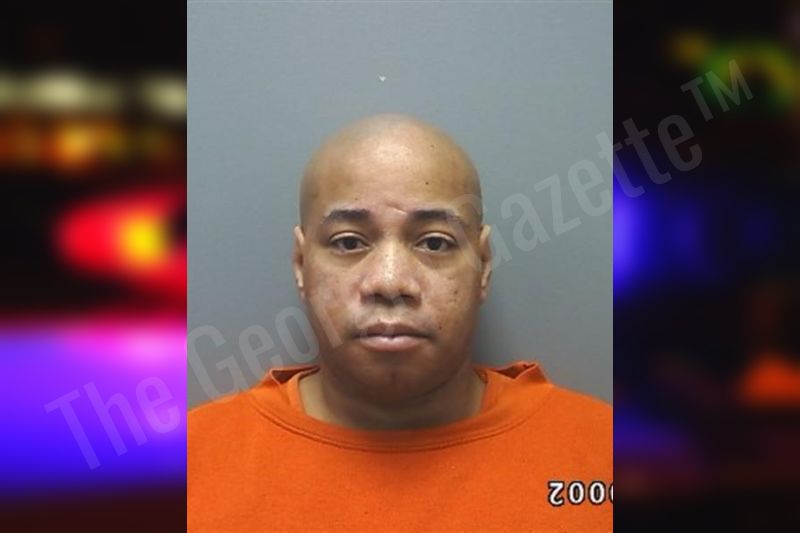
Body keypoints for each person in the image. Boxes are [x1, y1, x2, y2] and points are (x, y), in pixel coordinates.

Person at [188, 114, 612, 532]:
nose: (390, 282)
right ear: (301, 265)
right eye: (349, 242)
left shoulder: (605, 455)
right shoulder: (190, 466)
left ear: (483, 265)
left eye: (434, 243)